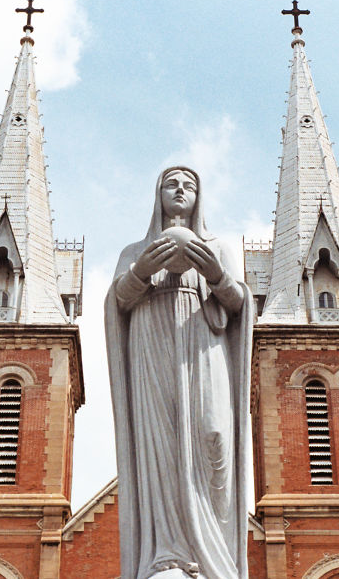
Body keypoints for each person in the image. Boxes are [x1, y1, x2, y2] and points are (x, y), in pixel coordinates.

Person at [105, 166, 253, 579]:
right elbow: (117, 301)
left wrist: (216, 275)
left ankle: (215, 558)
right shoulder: (135, 250)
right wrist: (140, 272)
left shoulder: (218, 247)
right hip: (151, 347)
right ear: (158, 194)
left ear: (199, 196)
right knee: (161, 444)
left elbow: (240, 303)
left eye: (189, 185)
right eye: (171, 184)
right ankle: (166, 554)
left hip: (204, 345)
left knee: (214, 435)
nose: (180, 190)